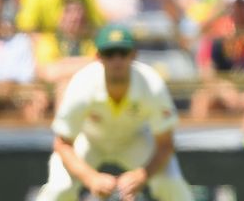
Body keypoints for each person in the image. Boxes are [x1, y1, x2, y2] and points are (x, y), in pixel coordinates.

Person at [36, 24, 193, 200]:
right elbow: (62, 144)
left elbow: (166, 144)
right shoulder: (82, 84)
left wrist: (142, 175)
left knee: (171, 184)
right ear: (98, 57)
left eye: (123, 53)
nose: (116, 61)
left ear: (134, 55)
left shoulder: (152, 85)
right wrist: (92, 179)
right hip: (90, 141)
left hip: (134, 139)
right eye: (109, 54)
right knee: (60, 188)